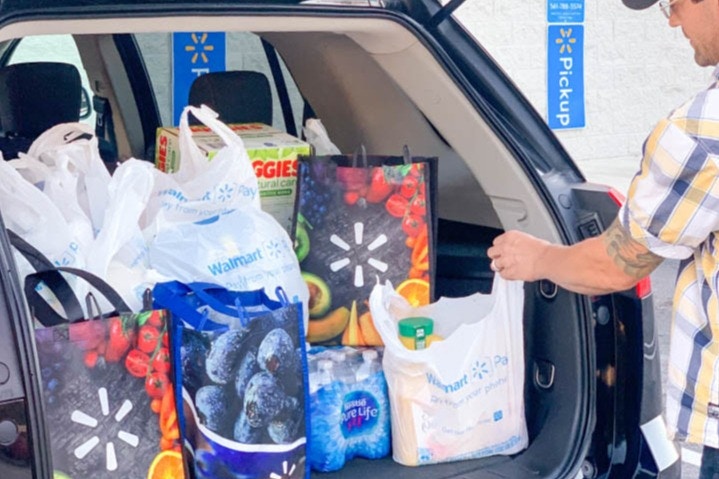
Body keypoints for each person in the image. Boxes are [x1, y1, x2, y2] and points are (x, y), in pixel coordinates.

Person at [487, 0, 719, 476]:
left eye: (674, 4)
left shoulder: (700, 132)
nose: (673, 21)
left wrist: (539, 257)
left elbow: (617, 263)